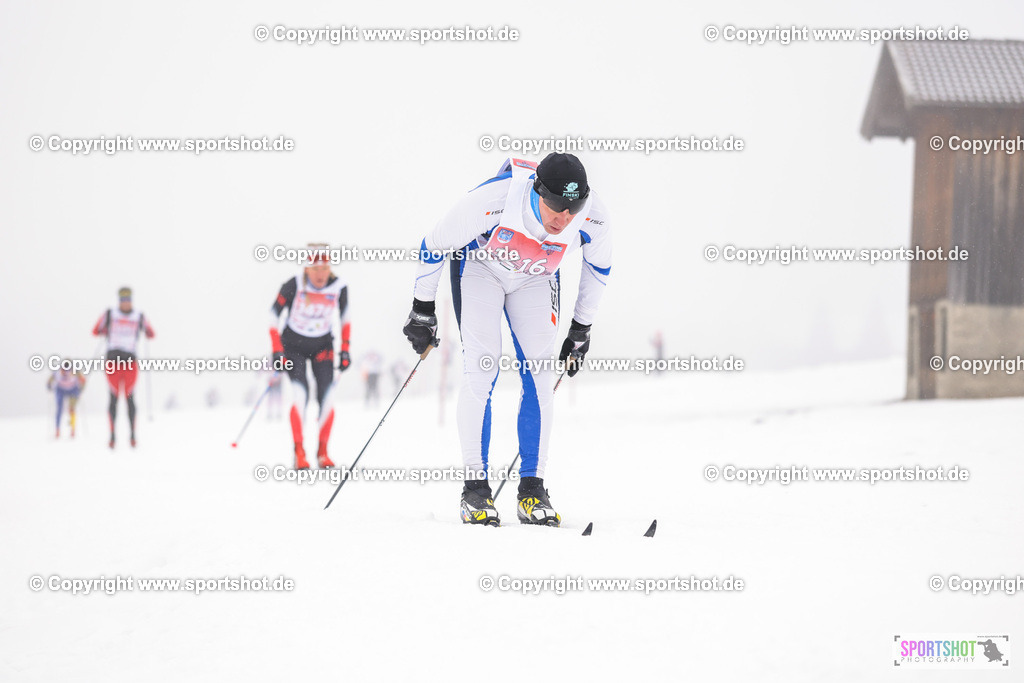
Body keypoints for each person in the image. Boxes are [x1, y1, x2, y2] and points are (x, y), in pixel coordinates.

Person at [403, 153, 612, 527]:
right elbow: (432, 245)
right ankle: (475, 489)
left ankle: (533, 489)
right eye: (556, 206)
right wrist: (422, 309)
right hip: (481, 268)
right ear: (537, 191)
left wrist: (582, 328)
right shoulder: (492, 201)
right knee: (481, 371)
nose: (564, 217)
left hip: (535, 276)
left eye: (573, 207)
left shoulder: (593, 215)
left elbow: (598, 268)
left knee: (540, 375)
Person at [269, 246, 351, 470]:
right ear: (306, 268)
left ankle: (323, 452)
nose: (321, 274)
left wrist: (345, 348)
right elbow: (272, 315)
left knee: (328, 397)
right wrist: (276, 350)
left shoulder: (339, 287)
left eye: (325, 267)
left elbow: (345, 319)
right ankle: (299, 452)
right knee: (300, 395)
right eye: (315, 268)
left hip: (322, 346)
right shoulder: (294, 284)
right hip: (292, 346)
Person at [92, 287, 155, 448]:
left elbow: (151, 333)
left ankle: (133, 435)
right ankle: (112, 436)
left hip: (130, 363)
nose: (125, 303)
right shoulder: (110, 314)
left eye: (128, 299)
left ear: (131, 300)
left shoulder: (138, 316)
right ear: (119, 300)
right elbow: (95, 330)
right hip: (113, 361)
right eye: (122, 299)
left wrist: (146, 332)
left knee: (129, 397)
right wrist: (105, 329)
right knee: (113, 397)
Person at [47, 366, 86, 438]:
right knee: (59, 408)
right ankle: (57, 430)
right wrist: (49, 385)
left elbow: (82, 379)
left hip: (73, 390)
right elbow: (50, 380)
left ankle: (72, 429)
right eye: (63, 370)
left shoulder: (75, 371)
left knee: (71, 408)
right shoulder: (57, 373)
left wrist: (81, 387)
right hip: (60, 390)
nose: (64, 372)